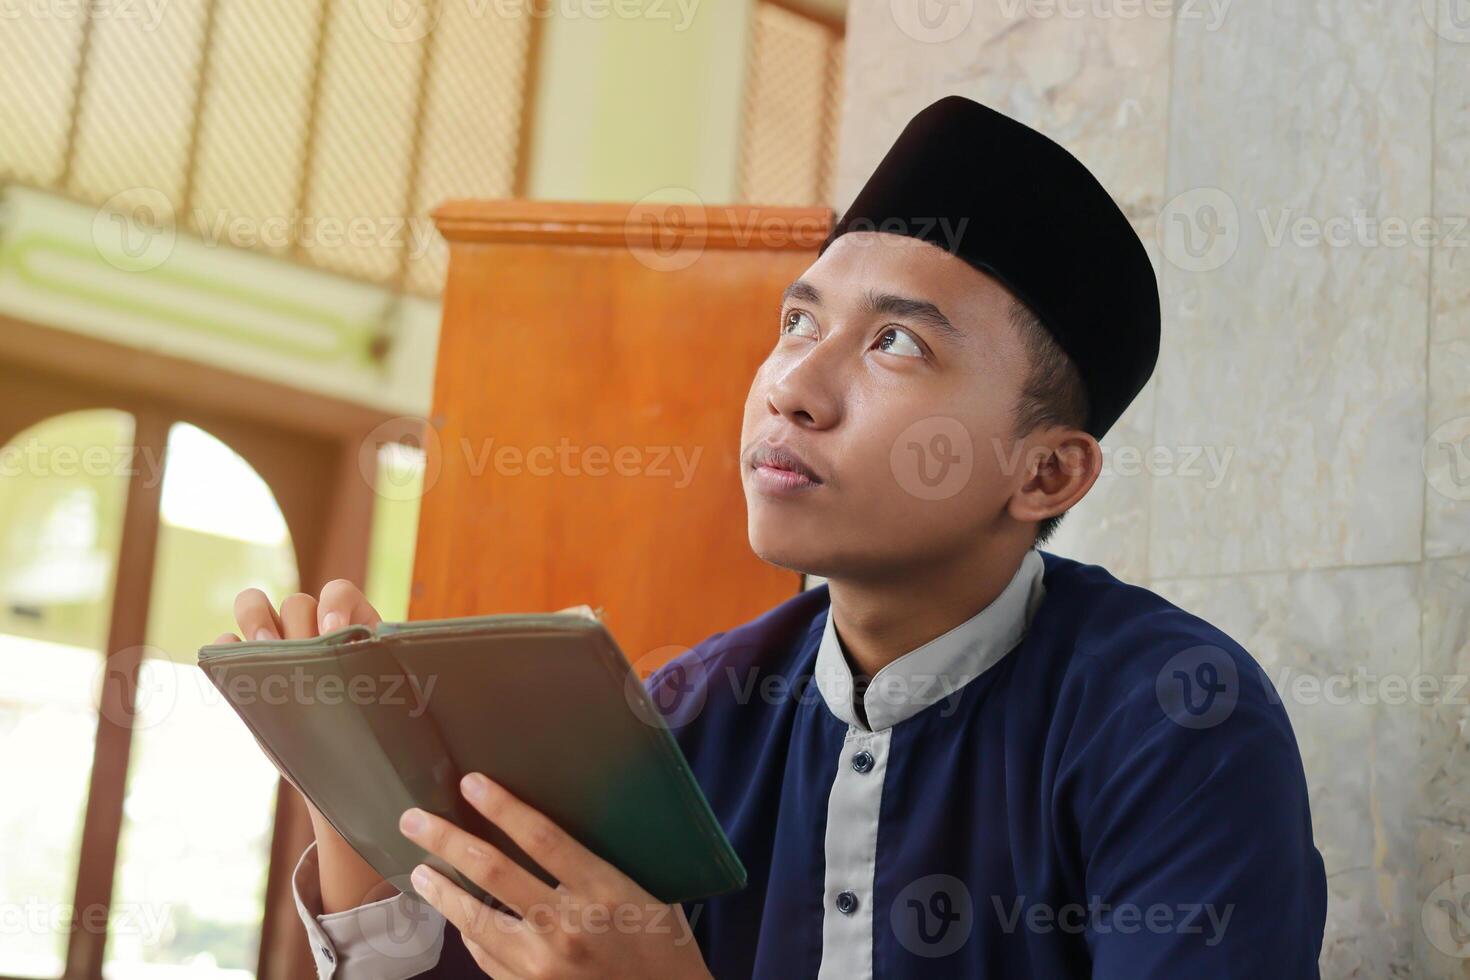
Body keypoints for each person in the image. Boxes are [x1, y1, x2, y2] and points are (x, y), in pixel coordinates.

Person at [220, 95, 1327, 978]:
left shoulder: (1175, 720)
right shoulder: (692, 711)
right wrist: (361, 795)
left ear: (1044, 470)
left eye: (896, 342)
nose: (793, 384)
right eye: (796, 321)